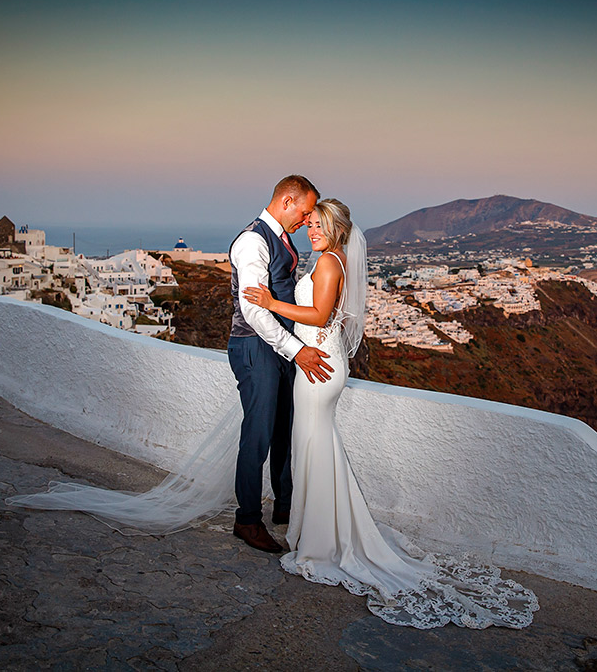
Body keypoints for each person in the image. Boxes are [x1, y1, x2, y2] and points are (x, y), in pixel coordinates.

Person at [242, 198, 538, 630]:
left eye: (319, 225)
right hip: (320, 359)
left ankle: (322, 541)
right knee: (315, 445)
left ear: (338, 229)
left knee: (313, 445)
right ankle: (319, 530)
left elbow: (319, 314)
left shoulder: (328, 262)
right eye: (310, 224)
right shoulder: (331, 258)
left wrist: (269, 301)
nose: (312, 231)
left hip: (317, 365)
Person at [226, 174, 332, 553]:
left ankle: (285, 510)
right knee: (257, 434)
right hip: (255, 347)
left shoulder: (282, 238)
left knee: (284, 429)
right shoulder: (253, 240)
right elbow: (254, 311)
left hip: (279, 348)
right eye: (304, 212)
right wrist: (296, 350)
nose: (307, 220)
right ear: (288, 201)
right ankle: (247, 520)